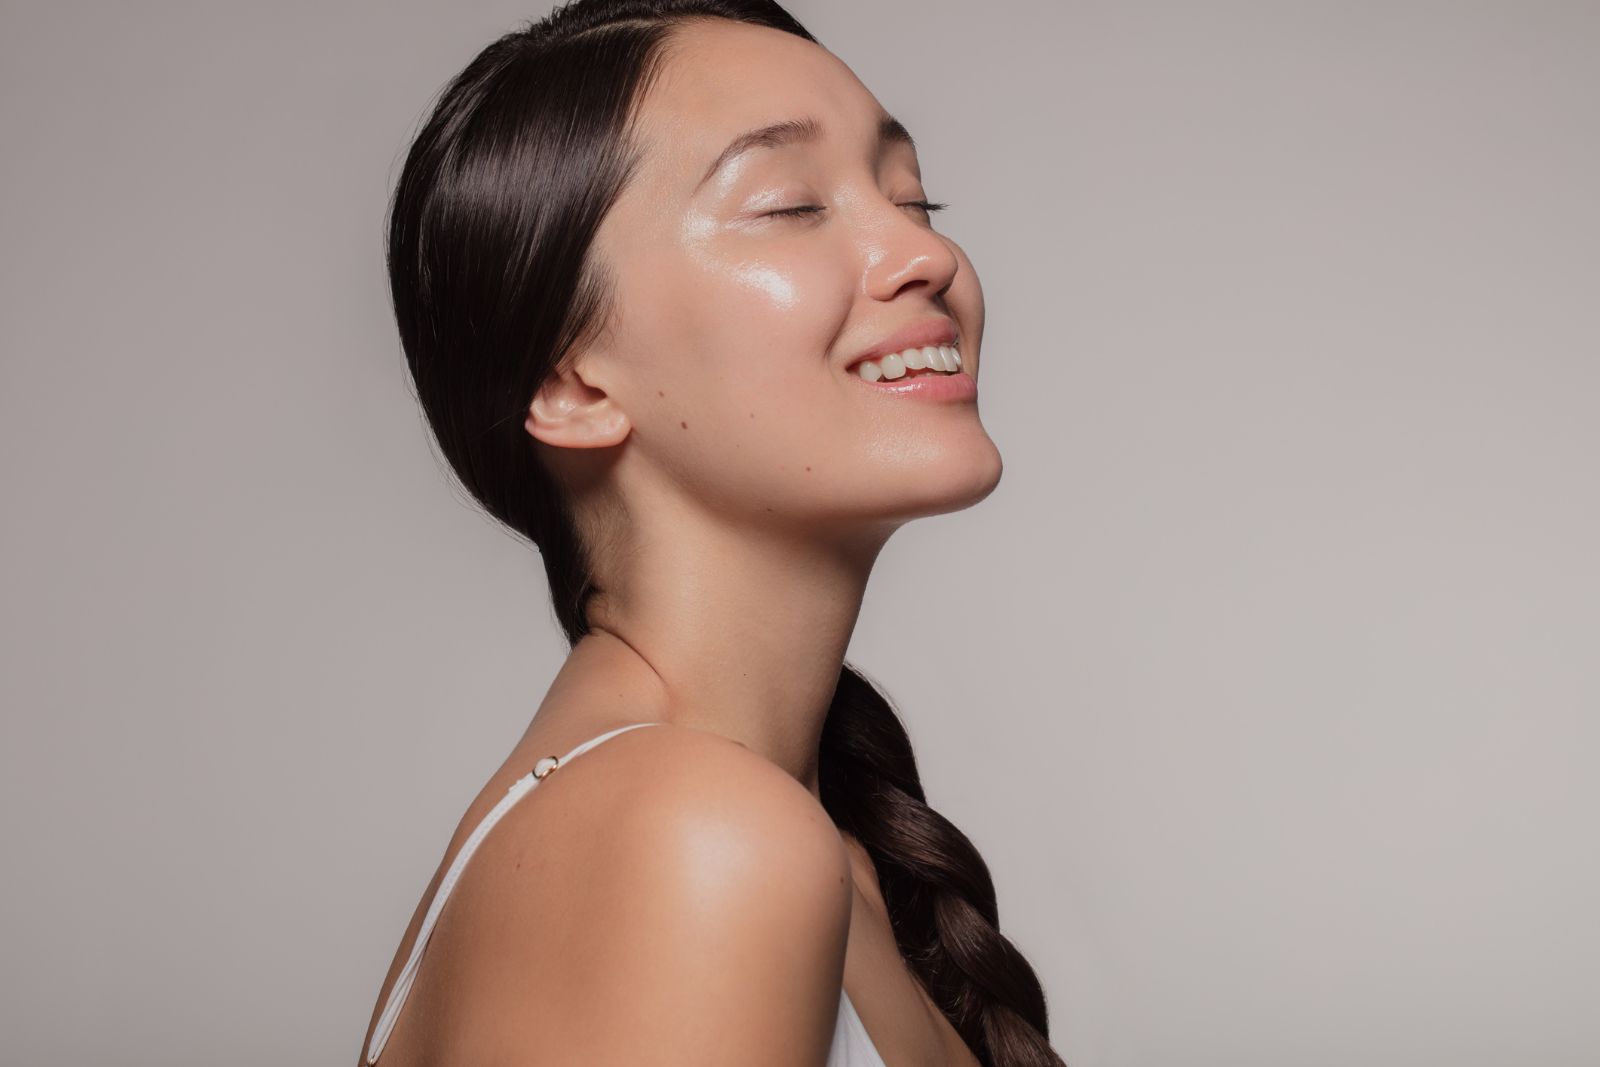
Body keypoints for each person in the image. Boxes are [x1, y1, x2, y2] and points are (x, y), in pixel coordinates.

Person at [359, 2, 1066, 1064]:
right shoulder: (689, 836)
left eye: (914, 195)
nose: (918, 250)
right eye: (789, 205)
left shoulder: (795, 845)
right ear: (570, 381)